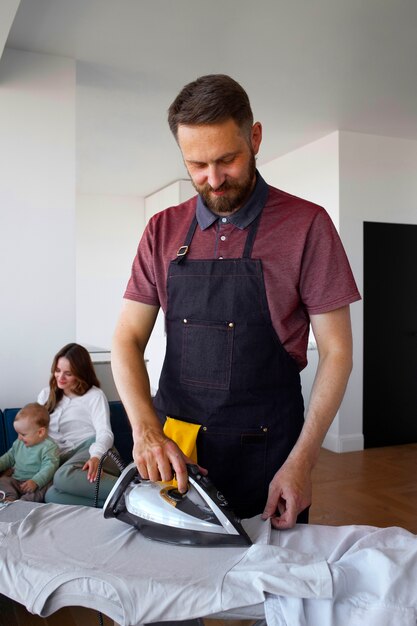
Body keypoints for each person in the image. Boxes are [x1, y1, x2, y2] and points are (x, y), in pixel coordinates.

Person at [111, 74, 361, 528]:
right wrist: (145, 431)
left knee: (266, 593)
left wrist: (304, 460)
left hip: (270, 458)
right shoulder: (162, 230)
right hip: (176, 457)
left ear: (256, 137)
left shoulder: (308, 226)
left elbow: (338, 352)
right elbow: (127, 338)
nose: (212, 179)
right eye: (197, 165)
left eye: (227, 159)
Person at [38, 342, 119, 507]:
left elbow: (105, 433)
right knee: (51, 495)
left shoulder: (94, 396)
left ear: (80, 373)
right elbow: (34, 432)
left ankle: (133, 490)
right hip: (66, 462)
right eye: (58, 370)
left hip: (94, 451)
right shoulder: (46, 395)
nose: (60, 377)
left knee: (61, 477)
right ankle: (119, 505)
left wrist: (96, 456)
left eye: (68, 373)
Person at [0, 402, 59, 502]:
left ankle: (23, 503)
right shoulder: (19, 443)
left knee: (45, 488)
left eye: (23, 434)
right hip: (16, 480)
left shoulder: (49, 447)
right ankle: (9, 498)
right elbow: (9, 457)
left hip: (35, 483)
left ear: (40, 432)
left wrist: (36, 481)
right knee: (3, 480)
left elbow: (49, 467)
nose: (19, 438)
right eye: (17, 433)